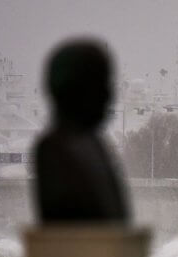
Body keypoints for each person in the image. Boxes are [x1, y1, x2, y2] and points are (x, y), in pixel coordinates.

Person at [33, 38, 130, 223]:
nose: (108, 95)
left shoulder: (93, 145)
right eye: (100, 86)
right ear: (74, 91)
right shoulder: (56, 150)